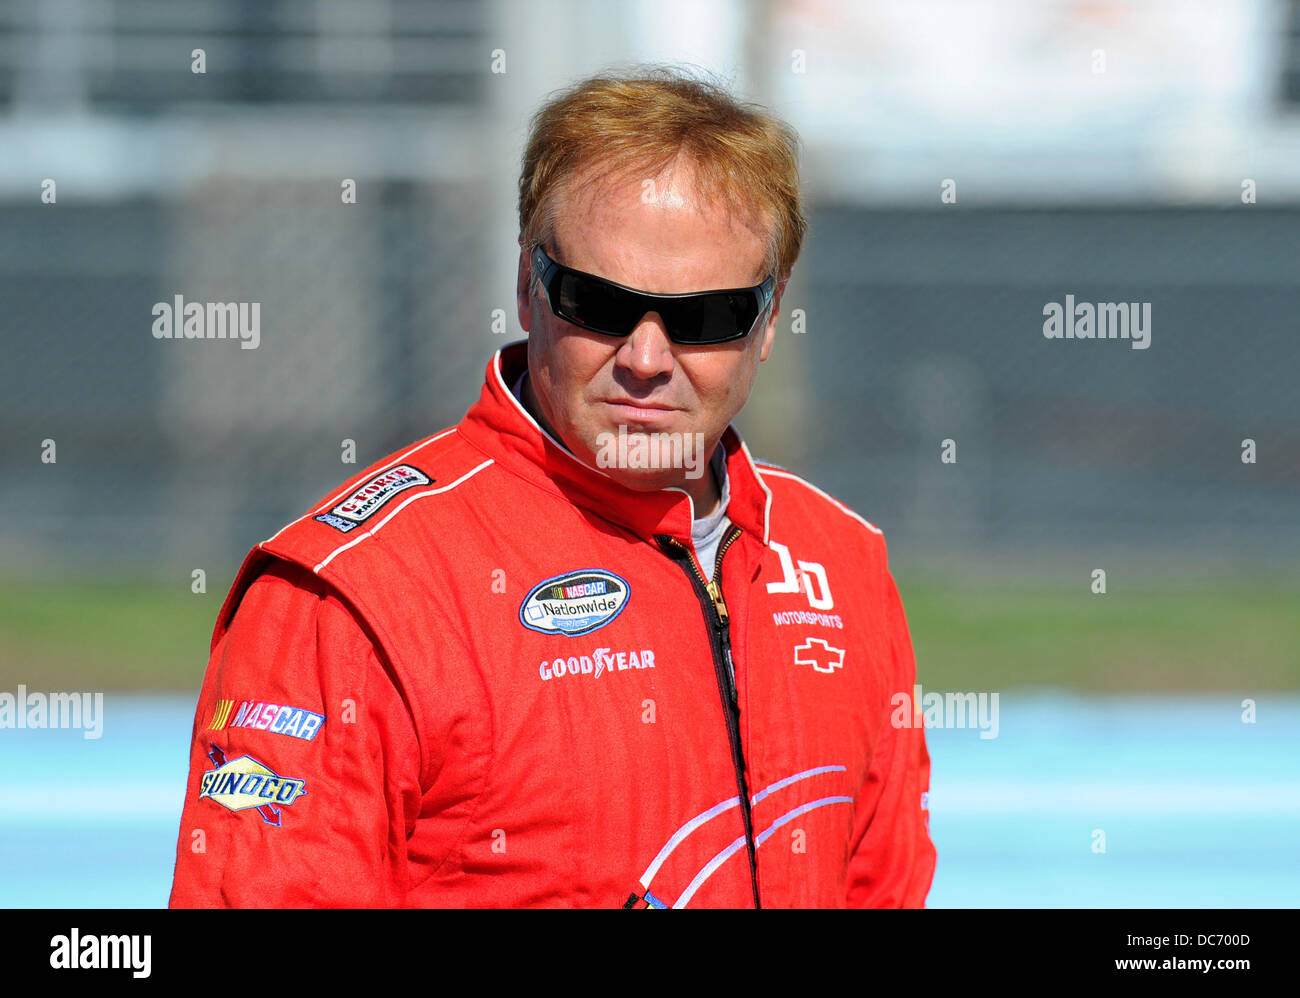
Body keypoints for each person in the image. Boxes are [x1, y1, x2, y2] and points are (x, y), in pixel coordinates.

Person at [169, 66, 936, 909]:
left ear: (769, 320)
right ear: (530, 289)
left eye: (703, 317)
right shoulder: (351, 596)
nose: (646, 360)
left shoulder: (843, 561)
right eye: (598, 302)